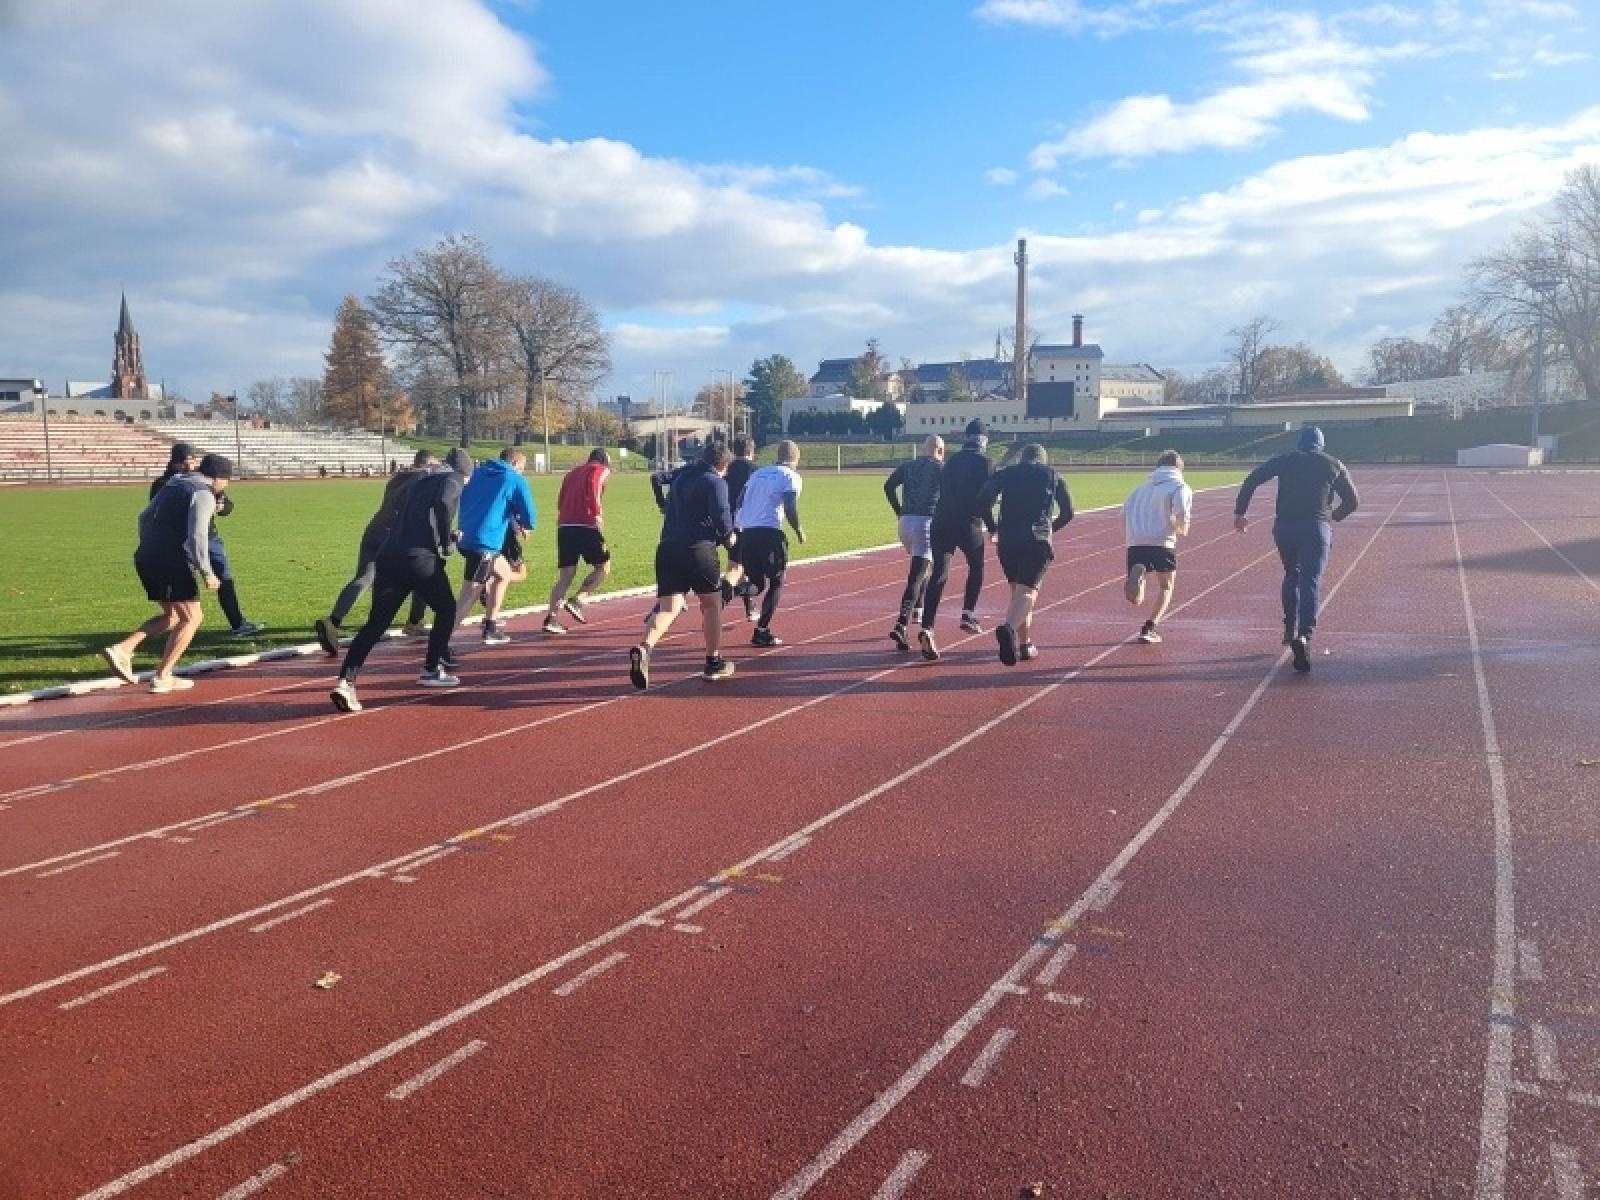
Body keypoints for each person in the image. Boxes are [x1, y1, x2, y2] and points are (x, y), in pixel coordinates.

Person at [328, 449, 471, 711]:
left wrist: (443, 536)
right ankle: (430, 669)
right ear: (465, 472)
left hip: (389, 554)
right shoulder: (453, 478)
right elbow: (444, 503)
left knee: (376, 623)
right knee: (446, 609)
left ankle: (346, 681)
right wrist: (446, 545)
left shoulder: (418, 480)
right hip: (419, 558)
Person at [103, 454, 235, 693]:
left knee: (173, 616)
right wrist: (207, 572)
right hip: (171, 561)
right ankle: (163, 676)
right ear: (219, 478)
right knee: (192, 618)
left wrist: (151, 545)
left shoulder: (175, 483)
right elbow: (198, 536)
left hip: (146, 556)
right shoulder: (203, 493)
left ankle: (124, 649)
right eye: (227, 480)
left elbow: (142, 517)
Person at [1233, 425, 1360, 673]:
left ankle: (1288, 628)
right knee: (1310, 579)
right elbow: (1353, 501)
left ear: (1299, 444)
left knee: (1292, 575)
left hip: (1285, 529)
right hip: (1316, 527)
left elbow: (1252, 479)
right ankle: (1304, 636)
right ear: (1321, 444)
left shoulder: (1285, 460)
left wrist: (1240, 512)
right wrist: (1334, 515)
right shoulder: (1333, 464)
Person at [630, 441, 737, 688]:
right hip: (699, 550)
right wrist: (730, 536)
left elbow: (658, 480)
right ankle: (713, 661)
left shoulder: (681, 476)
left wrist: (663, 505)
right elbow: (722, 516)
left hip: (667, 548)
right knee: (711, 606)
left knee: (669, 608)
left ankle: (645, 647)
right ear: (722, 465)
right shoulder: (715, 482)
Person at [314, 448, 436, 656]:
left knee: (363, 578)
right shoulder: (423, 481)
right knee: (423, 572)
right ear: (429, 464)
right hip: (396, 536)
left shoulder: (397, 478)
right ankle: (415, 622)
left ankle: (333, 620)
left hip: (374, 531)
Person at [148, 443, 263, 638]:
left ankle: (236, 623)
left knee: (224, 577)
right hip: (180, 541)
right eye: (184, 462)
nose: (189, 466)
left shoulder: (207, 480)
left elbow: (227, 505)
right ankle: (186, 624)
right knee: (186, 584)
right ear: (174, 462)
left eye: (192, 461)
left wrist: (220, 506)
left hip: (209, 537)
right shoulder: (167, 484)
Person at [978, 443, 1074, 666]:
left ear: (1022, 458)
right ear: (1042, 459)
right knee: (1027, 594)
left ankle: (1025, 644)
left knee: (1018, 594)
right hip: (1035, 540)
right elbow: (1068, 512)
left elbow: (982, 500)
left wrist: (993, 528)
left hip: (1008, 540)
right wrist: (1050, 529)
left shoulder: (1005, 474)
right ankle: (1008, 629)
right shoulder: (1053, 475)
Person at [922, 419, 997, 659]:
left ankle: (927, 627)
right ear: (983, 440)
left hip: (942, 521)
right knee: (976, 566)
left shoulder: (951, 461)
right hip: (968, 524)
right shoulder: (986, 463)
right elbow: (986, 500)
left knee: (939, 574)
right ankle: (967, 612)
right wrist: (993, 527)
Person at [454, 447, 536, 646]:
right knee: (469, 595)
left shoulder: (477, 472)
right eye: (522, 468)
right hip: (484, 543)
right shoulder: (514, 479)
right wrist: (522, 523)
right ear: (516, 464)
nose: (522, 472)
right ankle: (439, 645)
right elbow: (530, 518)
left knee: (503, 574)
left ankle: (490, 626)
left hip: (465, 536)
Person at [734, 439, 806, 647]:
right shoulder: (791, 476)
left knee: (756, 584)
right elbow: (790, 505)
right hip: (769, 534)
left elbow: (740, 500)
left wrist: (741, 523)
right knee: (777, 580)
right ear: (795, 459)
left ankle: (729, 591)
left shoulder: (757, 474)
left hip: (747, 533)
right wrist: (798, 529)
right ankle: (762, 630)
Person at [1122, 450, 1194, 645]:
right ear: (1179, 469)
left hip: (1136, 541)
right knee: (1166, 586)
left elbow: (1124, 512)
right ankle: (1149, 627)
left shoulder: (1139, 489)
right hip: (1162, 541)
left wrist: (1133, 535)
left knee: (1136, 599)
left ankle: (1140, 573)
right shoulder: (1180, 486)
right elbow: (1181, 513)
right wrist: (1181, 528)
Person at [882, 435, 944, 656]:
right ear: (940, 450)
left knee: (924, 568)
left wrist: (899, 510)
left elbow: (888, 486)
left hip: (905, 523)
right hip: (926, 522)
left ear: (923, 448)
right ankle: (901, 622)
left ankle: (917, 610)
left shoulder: (908, 465)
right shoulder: (942, 469)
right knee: (917, 574)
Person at [544, 449, 614, 634]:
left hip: (565, 526)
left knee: (566, 575)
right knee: (604, 566)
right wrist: (596, 512)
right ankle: (578, 599)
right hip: (586, 524)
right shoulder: (599, 470)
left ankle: (551, 617)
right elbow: (594, 484)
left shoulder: (571, 474)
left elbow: (560, 501)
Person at [720, 436, 760, 617]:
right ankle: (717, 604)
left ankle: (749, 607)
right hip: (748, 524)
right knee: (738, 568)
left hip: (727, 523)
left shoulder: (726, 470)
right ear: (751, 451)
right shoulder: (757, 471)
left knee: (737, 564)